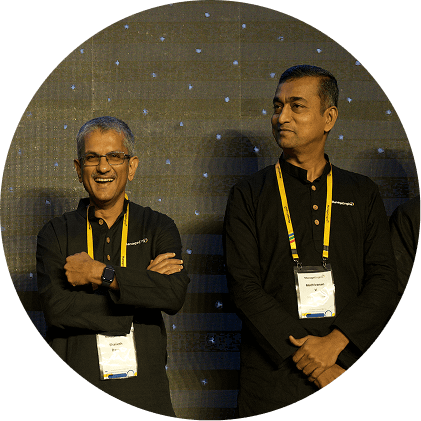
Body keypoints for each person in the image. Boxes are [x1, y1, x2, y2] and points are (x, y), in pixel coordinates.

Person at [223, 65, 398, 417]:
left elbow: (383, 281)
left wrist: (335, 343)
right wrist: (314, 363)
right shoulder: (249, 193)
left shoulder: (361, 192)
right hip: (273, 377)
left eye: (296, 106)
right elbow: (244, 287)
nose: (281, 116)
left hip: (346, 360)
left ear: (328, 117)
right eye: (277, 106)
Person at [36, 116, 189, 416]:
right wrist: (140, 287)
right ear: (79, 169)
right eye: (92, 158)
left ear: (131, 167)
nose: (103, 167)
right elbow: (58, 309)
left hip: (146, 394)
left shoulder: (158, 226)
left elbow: (172, 295)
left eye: (115, 156)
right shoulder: (55, 233)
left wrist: (100, 274)